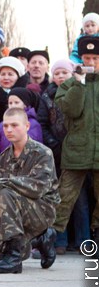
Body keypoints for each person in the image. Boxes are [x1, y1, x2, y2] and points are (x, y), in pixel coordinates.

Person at [0, 107, 59, 273]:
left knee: (5, 192)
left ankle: (15, 256)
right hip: (14, 213)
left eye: (14, 125)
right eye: (5, 126)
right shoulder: (3, 158)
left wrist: (3, 182)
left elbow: (37, 188)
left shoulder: (43, 153)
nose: (9, 130)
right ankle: (41, 239)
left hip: (41, 211)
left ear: (26, 126)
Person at [53, 36, 99, 247]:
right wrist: (79, 85)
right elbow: (71, 110)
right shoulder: (69, 84)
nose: (91, 62)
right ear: (80, 59)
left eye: (96, 58)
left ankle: (96, 233)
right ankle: (50, 239)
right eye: (86, 58)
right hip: (76, 151)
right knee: (63, 198)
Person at [0, 87, 43, 183]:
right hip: (3, 173)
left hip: (25, 176)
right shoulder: (1, 125)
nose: (13, 105)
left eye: (16, 102)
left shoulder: (33, 125)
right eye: (10, 103)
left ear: (25, 104)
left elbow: (36, 152)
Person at [0, 56, 28, 125]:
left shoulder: (26, 95)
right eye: (3, 74)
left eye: (10, 74)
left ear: (18, 76)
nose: (6, 77)